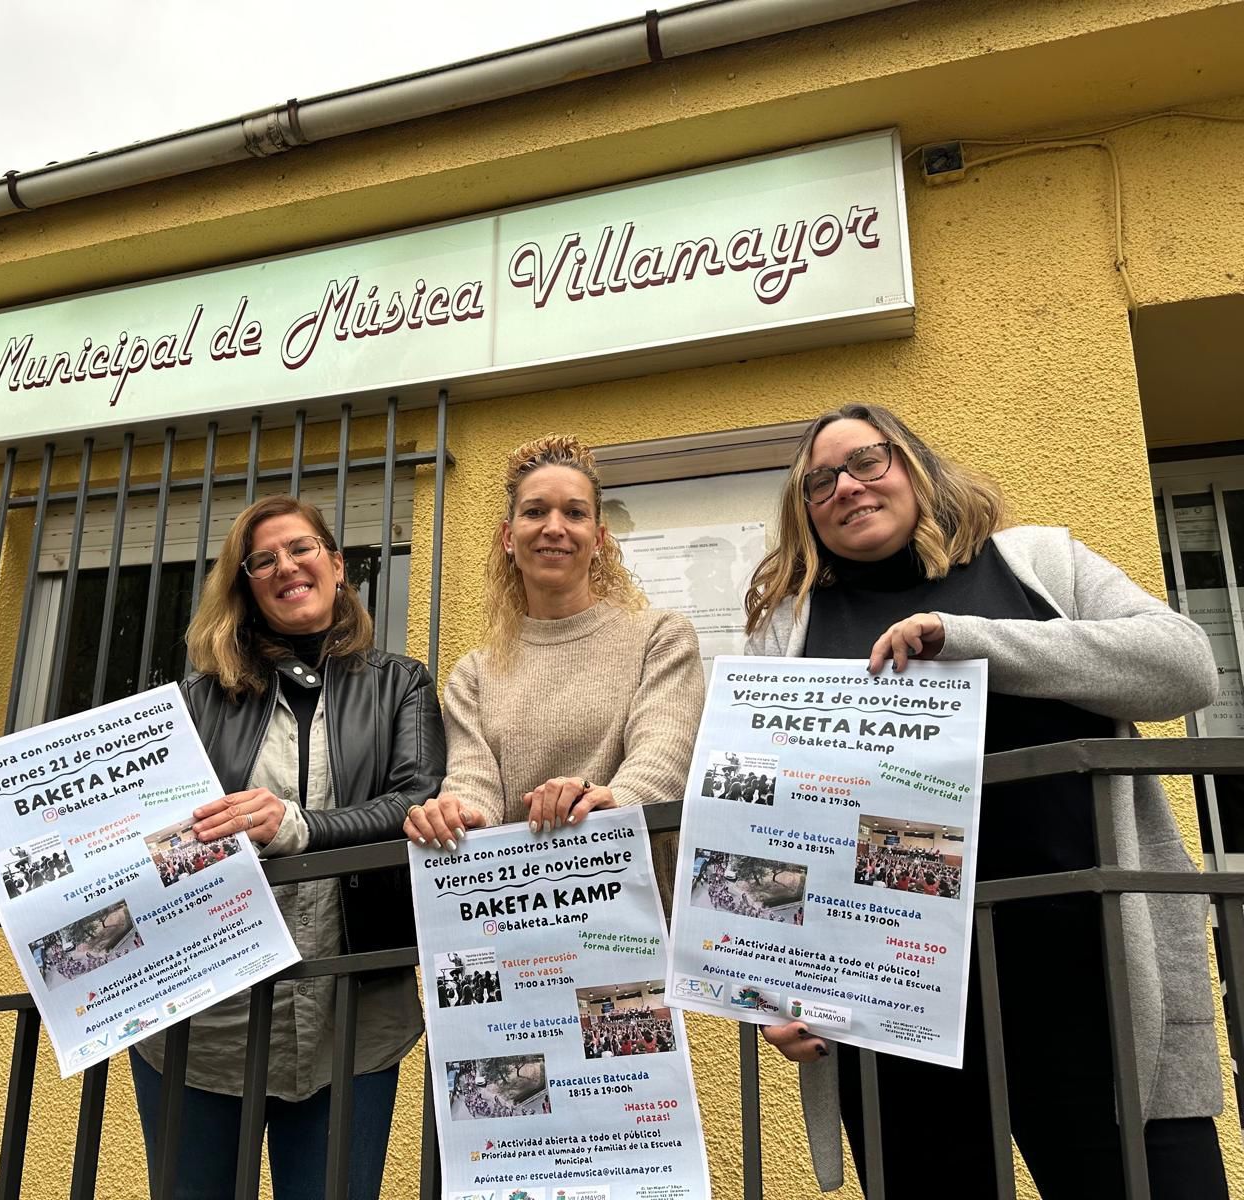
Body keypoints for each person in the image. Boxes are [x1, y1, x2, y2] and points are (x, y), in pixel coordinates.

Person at [745, 403, 1226, 1198]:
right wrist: (768, 986)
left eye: (868, 461)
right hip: (891, 1005)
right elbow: (769, 819)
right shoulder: (789, 629)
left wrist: (970, 640)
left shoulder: (1039, 562)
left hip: (1091, 977)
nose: (846, 488)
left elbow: (1184, 666)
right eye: (819, 481)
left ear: (917, 467)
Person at [0, 494, 445, 1200]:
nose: (285, 566)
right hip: (202, 1028)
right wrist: (0, 844)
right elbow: (119, 827)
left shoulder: (402, 683)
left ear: (336, 563)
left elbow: (416, 802)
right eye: (262, 559)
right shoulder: (194, 703)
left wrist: (298, 827)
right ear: (245, 587)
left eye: (301, 548)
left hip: (353, 1020)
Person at [402, 434, 703, 902]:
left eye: (575, 513)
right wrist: (453, 814)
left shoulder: (660, 636)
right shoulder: (474, 674)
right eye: (535, 511)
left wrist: (609, 800)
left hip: (638, 913)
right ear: (509, 536)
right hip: (528, 921)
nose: (554, 527)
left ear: (599, 539)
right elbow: (473, 785)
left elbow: (663, 759)